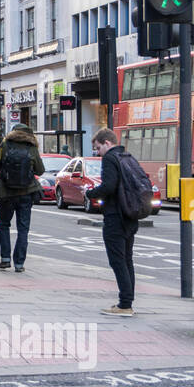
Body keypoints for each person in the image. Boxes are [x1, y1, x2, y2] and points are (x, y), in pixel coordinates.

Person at [86, 127, 137, 317]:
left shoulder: (110, 158)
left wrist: (90, 193)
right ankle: (128, 301)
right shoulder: (127, 156)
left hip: (115, 216)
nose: (98, 153)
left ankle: (124, 304)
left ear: (107, 143)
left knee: (117, 261)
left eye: (98, 148)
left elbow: (108, 186)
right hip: (130, 215)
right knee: (127, 259)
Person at [0, 123, 45, 274]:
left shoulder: (5, 145)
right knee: (23, 229)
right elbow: (40, 170)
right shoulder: (31, 147)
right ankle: (19, 263)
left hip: (7, 193)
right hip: (26, 193)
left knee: (4, 225)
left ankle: (5, 259)